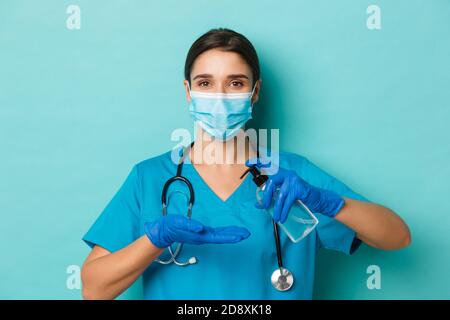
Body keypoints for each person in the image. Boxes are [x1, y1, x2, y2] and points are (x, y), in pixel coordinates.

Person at [81, 28, 411, 300]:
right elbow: (94, 289)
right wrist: (154, 241)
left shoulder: (292, 175)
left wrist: (329, 201)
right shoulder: (150, 177)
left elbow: (397, 237)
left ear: (255, 93)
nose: (220, 96)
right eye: (206, 83)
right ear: (188, 91)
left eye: (236, 83)